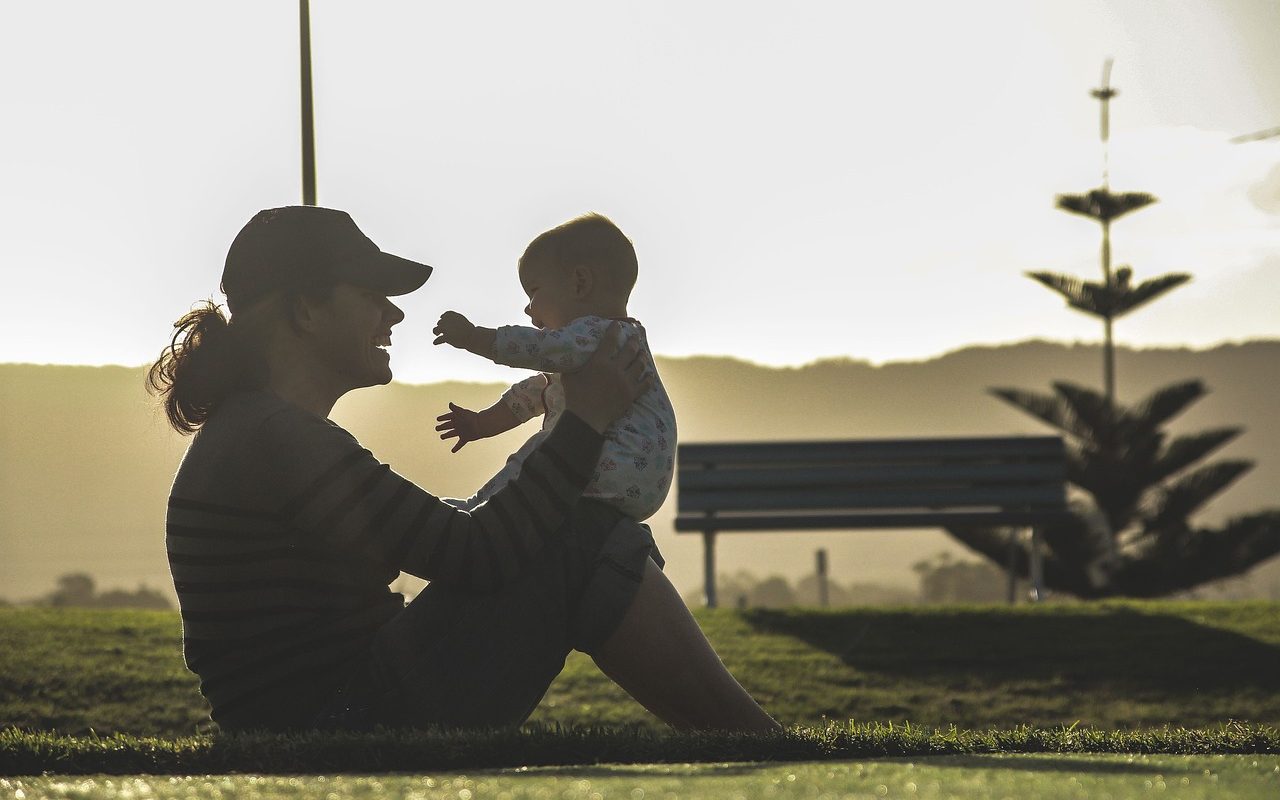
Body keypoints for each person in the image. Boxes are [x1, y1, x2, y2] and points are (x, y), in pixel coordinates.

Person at [149, 205, 778, 733]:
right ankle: (761, 746)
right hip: (341, 721)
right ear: (305, 311)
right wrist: (586, 419)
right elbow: (476, 554)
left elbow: (449, 542)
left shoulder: (257, 432)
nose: (394, 315)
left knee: (581, 529)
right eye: (371, 296)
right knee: (581, 532)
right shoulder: (273, 438)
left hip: (333, 711)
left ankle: (749, 743)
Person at [431, 213, 676, 526]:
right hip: (639, 483)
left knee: (541, 453)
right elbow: (536, 393)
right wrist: (481, 424)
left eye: (533, 291)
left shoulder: (599, 333)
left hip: (614, 464)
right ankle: (481, 508)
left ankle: (478, 509)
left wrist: (473, 337)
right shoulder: (616, 344)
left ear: (580, 283)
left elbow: (538, 348)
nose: (528, 308)